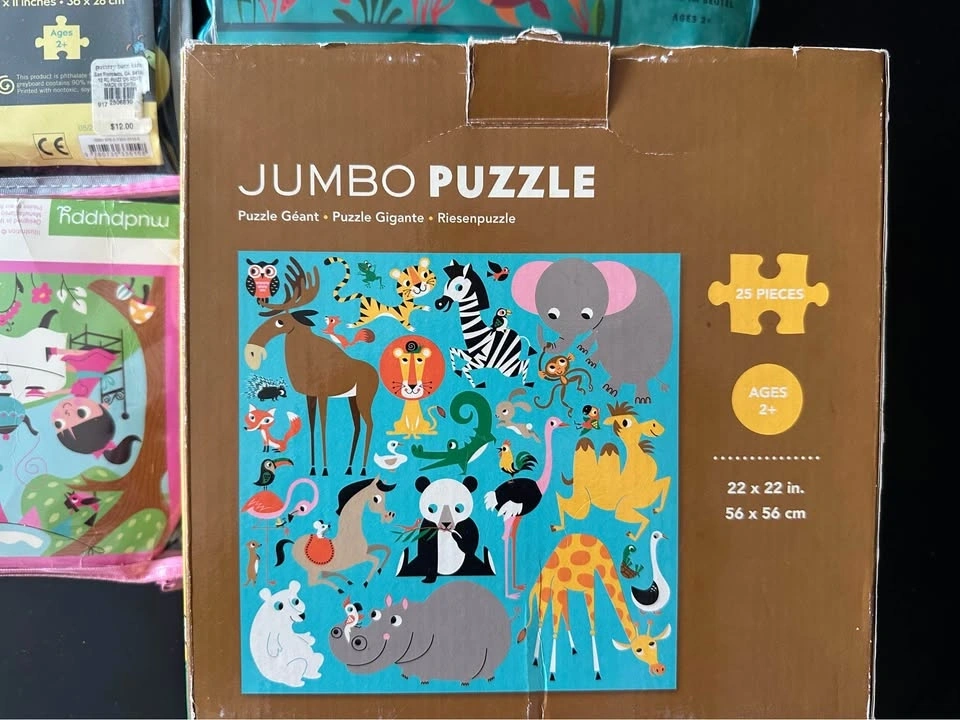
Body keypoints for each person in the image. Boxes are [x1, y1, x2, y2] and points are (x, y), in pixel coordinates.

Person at [45, 347, 140, 465]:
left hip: (91, 365)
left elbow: (71, 384)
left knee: (78, 356)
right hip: (93, 362)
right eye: (81, 413)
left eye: (59, 423)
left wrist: (52, 392)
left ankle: (54, 352)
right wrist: (53, 393)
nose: (67, 411)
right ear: (103, 406)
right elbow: (70, 387)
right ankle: (54, 351)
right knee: (80, 354)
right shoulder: (83, 393)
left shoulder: (82, 395)